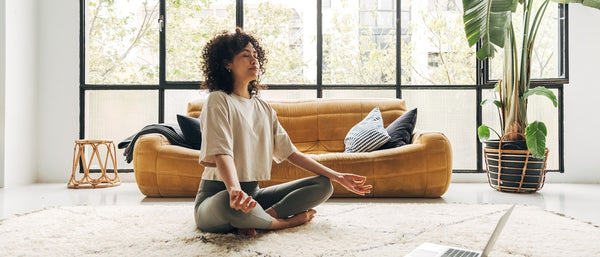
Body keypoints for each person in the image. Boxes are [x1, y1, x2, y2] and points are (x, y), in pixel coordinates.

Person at [194, 27, 372, 237]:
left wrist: (337, 175)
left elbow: (291, 153)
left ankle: (261, 217)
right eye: (245, 55)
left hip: (253, 195)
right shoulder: (218, 100)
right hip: (218, 196)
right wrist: (233, 190)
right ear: (227, 64)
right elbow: (222, 152)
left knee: (323, 185)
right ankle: (281, 223)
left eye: (255, 55)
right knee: (228, 203)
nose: (254, 60)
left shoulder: (264, 108)